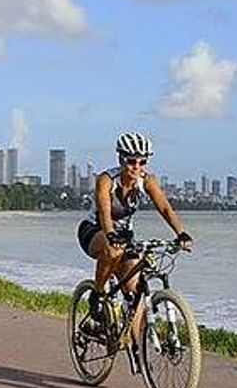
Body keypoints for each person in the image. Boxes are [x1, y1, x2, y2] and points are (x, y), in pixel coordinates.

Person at [76, 132, 193, 325]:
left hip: (124, 236)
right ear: (121, 159)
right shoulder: (106, 180)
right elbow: (105, 213)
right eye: (131, 161)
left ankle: (133, 347)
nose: (136, 167)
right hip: (94, 230)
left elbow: (164, 207)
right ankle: (96, 295)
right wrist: (110, 234)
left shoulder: (146, 180)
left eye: (142, 162)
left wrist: (180, 233)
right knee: (113, 251)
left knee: (134, 293)